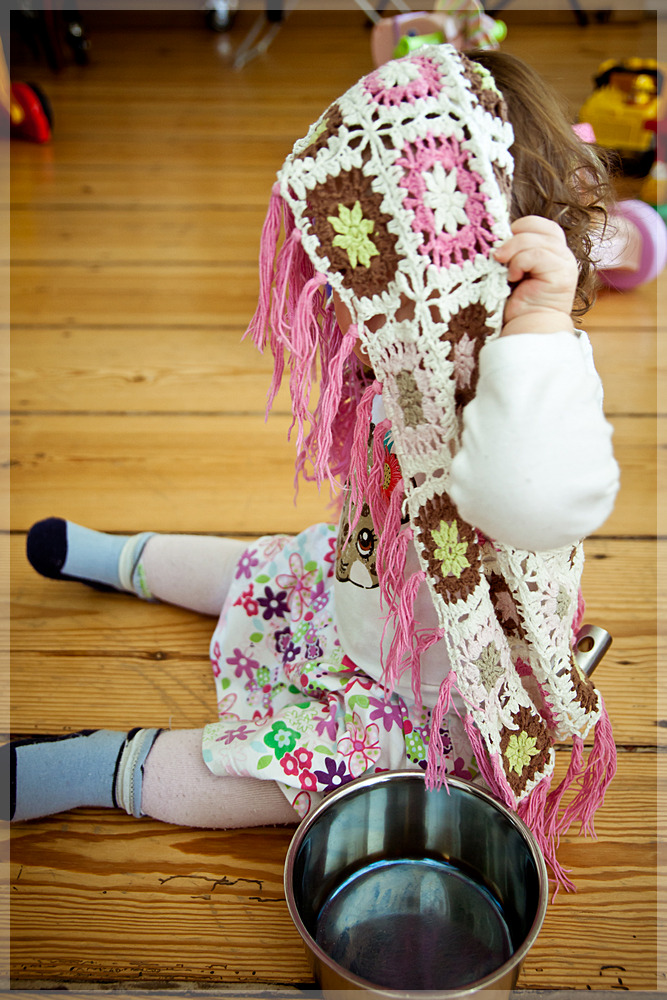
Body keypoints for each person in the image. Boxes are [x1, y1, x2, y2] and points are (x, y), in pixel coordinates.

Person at [7, 46, 620, 886]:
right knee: (269, 567)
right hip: (359, 591)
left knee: (295, 770)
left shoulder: (543, 380)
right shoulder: (408, 353)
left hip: (436, 692)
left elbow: (526, 499)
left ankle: (104, 766)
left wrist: (539, 328)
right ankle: (122, 558)